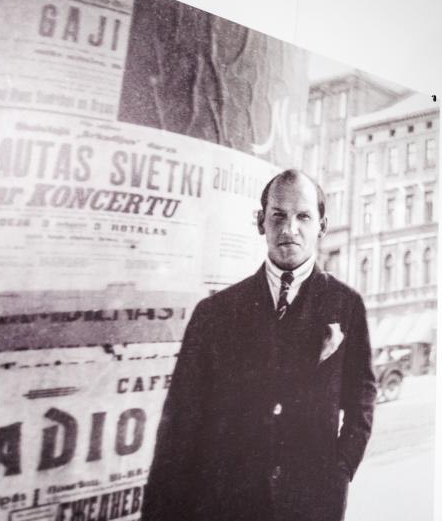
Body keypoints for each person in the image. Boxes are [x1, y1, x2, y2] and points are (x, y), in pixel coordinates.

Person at [143, 169, 377, 521]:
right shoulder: (215, 313)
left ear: (322, 226)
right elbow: (179, 421)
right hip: (227, 503)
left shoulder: (345, 305)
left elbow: (362, 399)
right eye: (278, 216)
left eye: (303, 217)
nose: (289, 229)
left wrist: (341, 467)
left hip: (312, 503)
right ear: (260, 221)